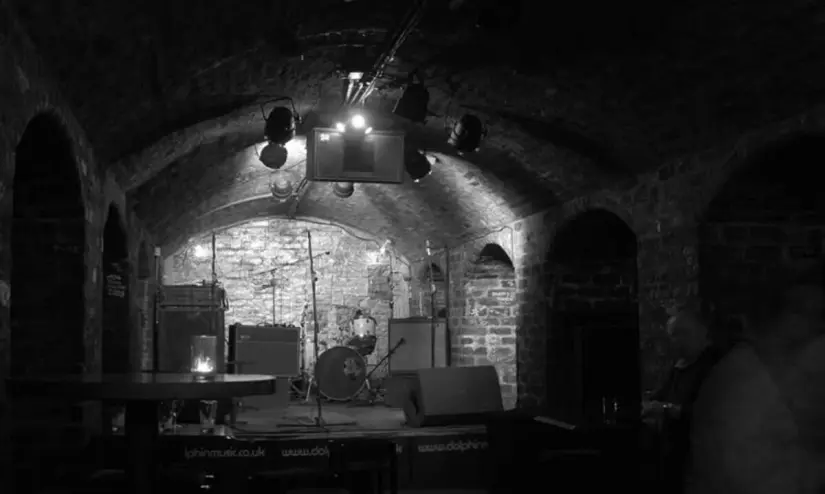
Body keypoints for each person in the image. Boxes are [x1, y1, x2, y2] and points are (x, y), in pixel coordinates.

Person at [687, 279, 825, 494]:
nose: (818, 327)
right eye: (812, 315)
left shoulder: (772, 368)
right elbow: (754, 479)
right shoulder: (743, 385)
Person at [643, 310, 724, 493]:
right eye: (672, 336)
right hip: (676, 456)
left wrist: (667, 409)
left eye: (679, 334)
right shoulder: (680, 367)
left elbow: (712, 414)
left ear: (698, 332)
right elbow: (660, 396)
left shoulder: (714, 365)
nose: (675, 342)